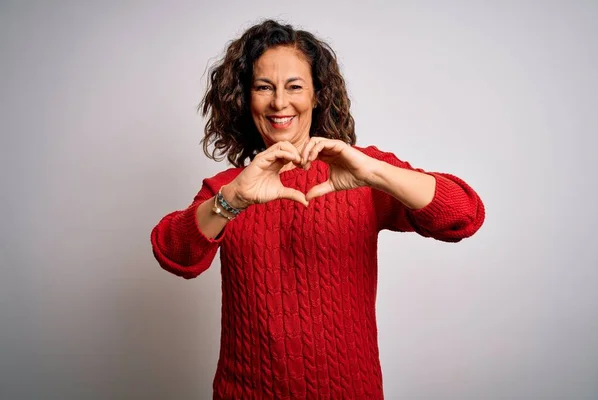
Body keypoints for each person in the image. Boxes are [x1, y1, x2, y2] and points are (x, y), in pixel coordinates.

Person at [151, 19, 485, 400]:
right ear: (246, 99)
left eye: (294, 87)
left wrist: (373, 170)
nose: (279, 102)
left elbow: (464, 215)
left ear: (317, 95)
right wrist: (233, 200)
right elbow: (174, 255)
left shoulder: (359, 173)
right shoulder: (228, 189)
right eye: (264, 87)